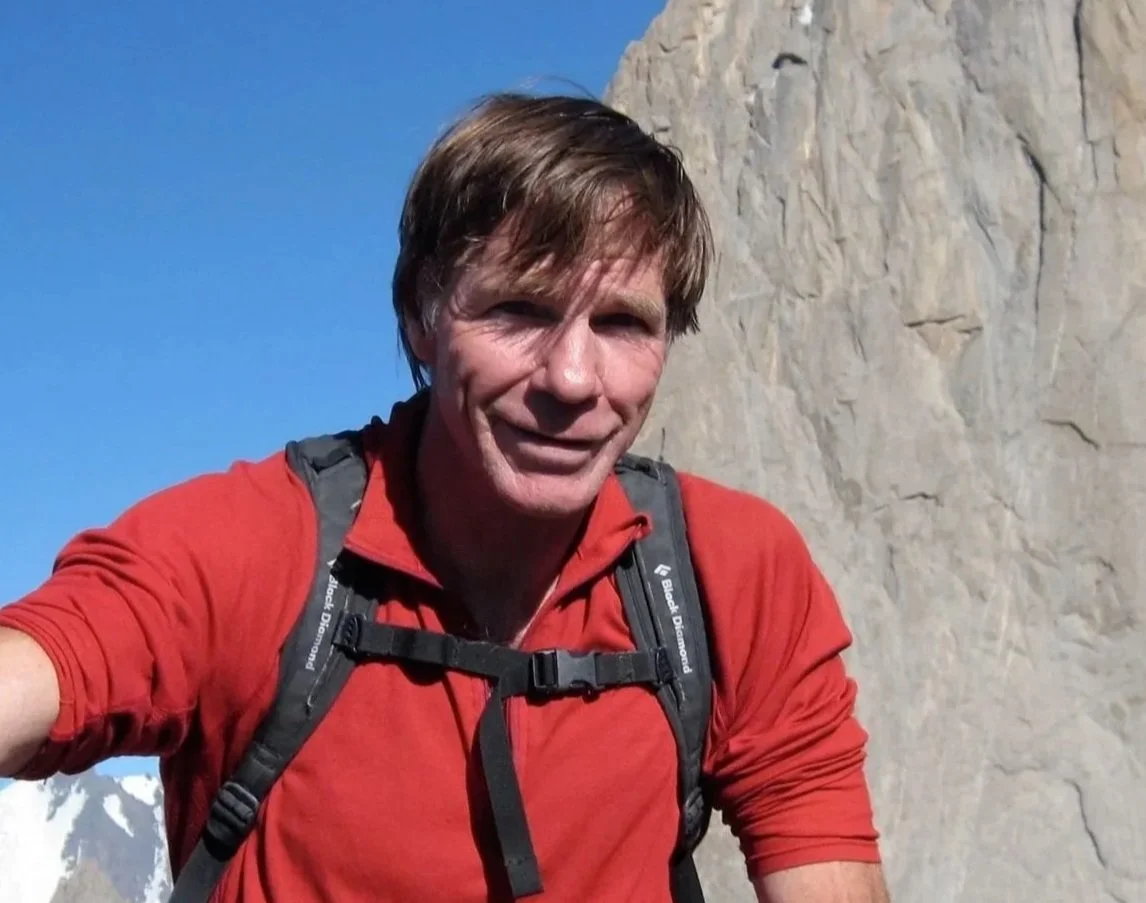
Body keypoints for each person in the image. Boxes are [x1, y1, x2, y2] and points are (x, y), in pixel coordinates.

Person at [0, 92, 890, 902]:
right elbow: (52, 661)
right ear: (421, 316)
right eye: (519, 311)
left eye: (623, 323)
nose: (574, 378)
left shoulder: (726, 573)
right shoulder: (262, 545)